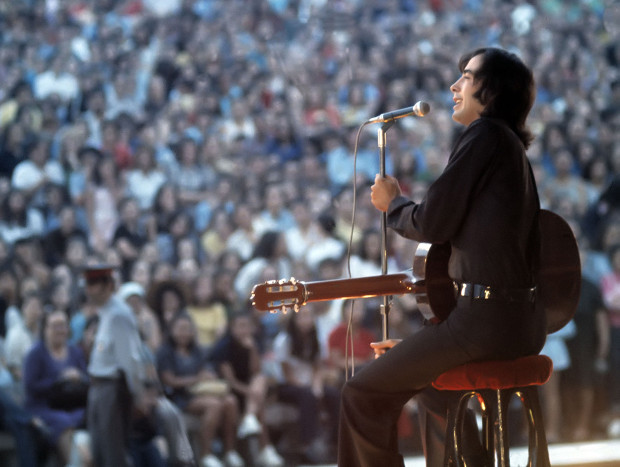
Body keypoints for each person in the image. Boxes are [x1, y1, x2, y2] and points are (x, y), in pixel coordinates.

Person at [338, 47, 547, 467]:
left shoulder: (485, 135)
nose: (454, 86)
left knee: (360, 392)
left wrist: (393, 204)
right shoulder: (510, 150)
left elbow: (433, 221)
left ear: (492, 90)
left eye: (466, 77)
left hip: (481, 322)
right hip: (523, 324)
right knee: (430, 383)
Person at [84, 264, 151, 467]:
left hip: (112, 388)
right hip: (99, 387)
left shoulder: (119, 314)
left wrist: (138, 394)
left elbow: (130, 361)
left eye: (94, 284)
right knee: (100, 451)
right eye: (88, 284)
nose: (89, 289)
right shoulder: (106, 312)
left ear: (108, 285)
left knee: (113, 453)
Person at [22, 309, 88, 464]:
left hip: (73, 404)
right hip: (43, 406)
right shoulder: (35, 354)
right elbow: (30, 387)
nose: (60, 330)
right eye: (55, 326)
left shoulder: (75, 351)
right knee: (64, 422)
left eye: (63, 325)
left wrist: (78, 378)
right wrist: (59, 380)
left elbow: (87, 380)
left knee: (91, 416)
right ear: (45, 329)